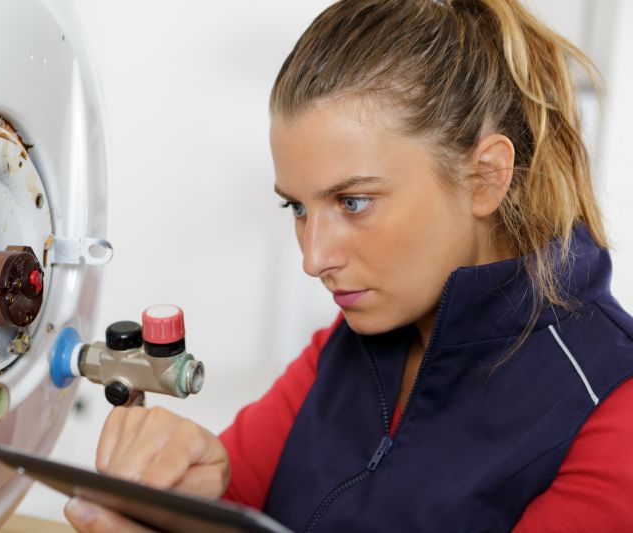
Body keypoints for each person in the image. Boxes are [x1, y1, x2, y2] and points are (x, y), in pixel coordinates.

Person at [65, 0, 633, 531]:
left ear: (485, 176)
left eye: (352, 202)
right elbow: (227, 492)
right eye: (296, 207)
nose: (313, 259)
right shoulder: (341, 351)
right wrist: (185, 490)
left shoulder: (613, 410)